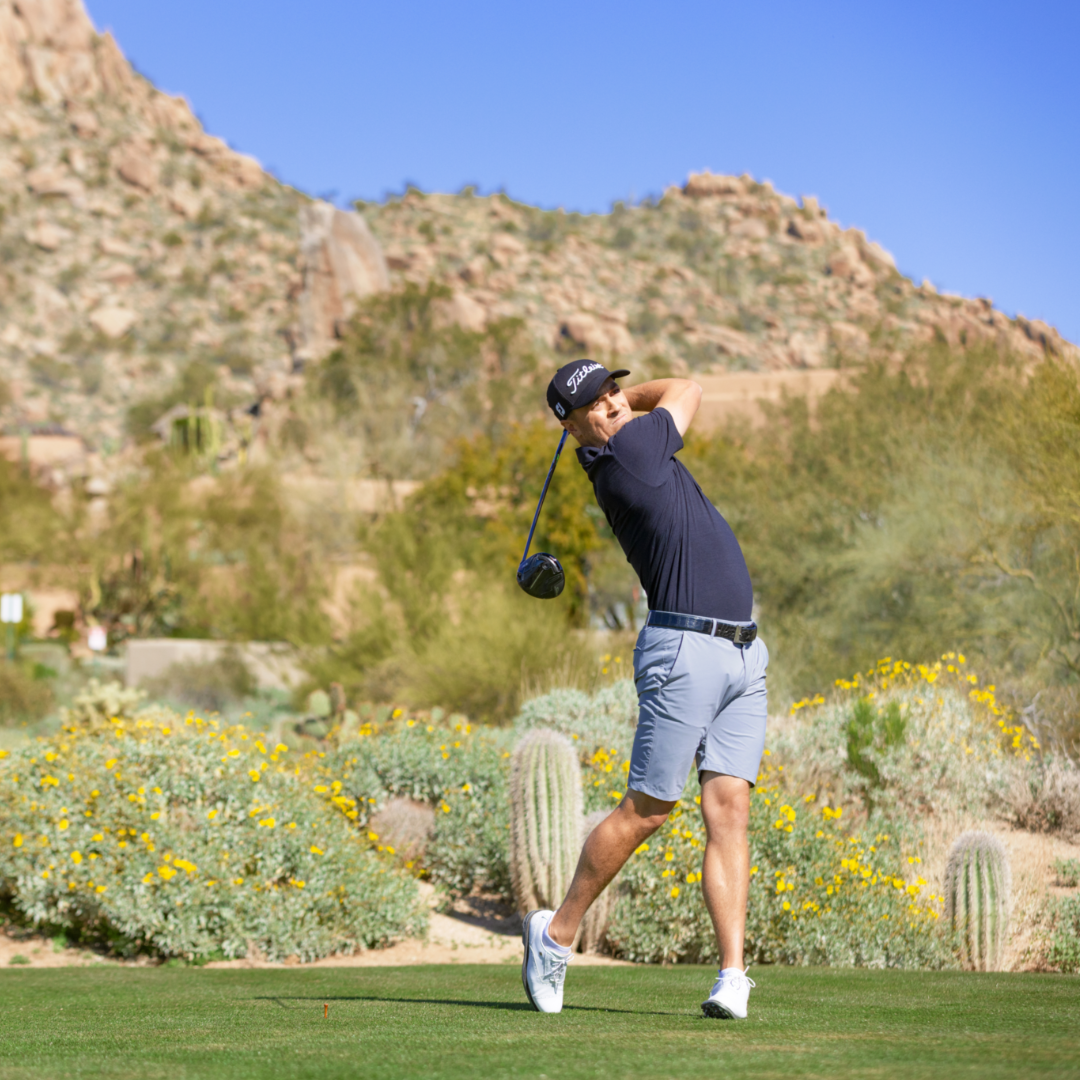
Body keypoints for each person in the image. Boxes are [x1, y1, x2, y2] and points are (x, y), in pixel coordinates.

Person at [522, 359, 768, 1019]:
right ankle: (555, 935)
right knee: (648, 811)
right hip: (685, 651)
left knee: (730, 813)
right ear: (573, 427)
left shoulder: (625, 440)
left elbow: (669, 397)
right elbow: (687, 389)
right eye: (594, 404)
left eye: (612, 391)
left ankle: (732, 977)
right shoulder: (626, 449)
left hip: (743, 651)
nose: (611, 405)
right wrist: (630, 401)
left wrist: (612, 395)